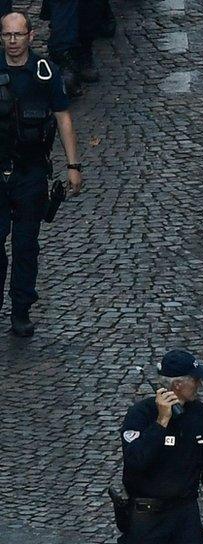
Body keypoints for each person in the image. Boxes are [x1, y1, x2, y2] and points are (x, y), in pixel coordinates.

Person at [0, 11, 82, 337]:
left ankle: (20, 309)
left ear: (31, 36)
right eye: (7, 35)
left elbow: (63, 118)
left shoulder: (44, 73)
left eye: (19, 34)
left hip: (30, 173)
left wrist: (73, 166)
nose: (13, 41)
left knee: (25, 246)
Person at [118, 350, 203, 544]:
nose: (199, 384)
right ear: (178, 384)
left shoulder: (199, 414)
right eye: (195, 379)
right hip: (147, 519)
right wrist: (161, 422)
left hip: (185, 516)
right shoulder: (140, 415)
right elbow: (136, 461)